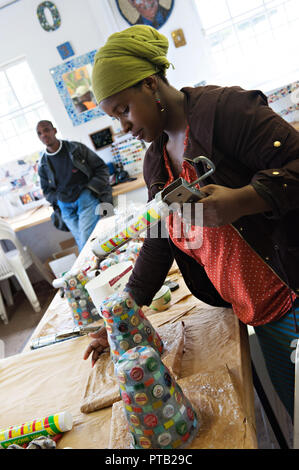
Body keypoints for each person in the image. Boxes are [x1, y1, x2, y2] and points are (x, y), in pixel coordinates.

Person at [83, 25, 299, 421]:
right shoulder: (157, 161)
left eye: (123, 111)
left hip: (291, 295)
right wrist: (120, 317)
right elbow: (157, 238)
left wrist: (242, 200)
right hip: (257, 311)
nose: (124, 127)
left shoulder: (226, 111)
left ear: (150, 84)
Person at [37, 120, 113, 252]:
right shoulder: (43, 163)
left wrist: (91, 190)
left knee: (86, 241)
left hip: (85, 198)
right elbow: (47, 191)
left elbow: (101, 168)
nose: (43, 135)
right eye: (39, 133)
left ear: (54, 130)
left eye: (46, 130)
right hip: (64, 205)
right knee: (82, 241)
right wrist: (58, 199)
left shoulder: (76, 148)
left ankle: (87, 270)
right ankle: (97, 269)